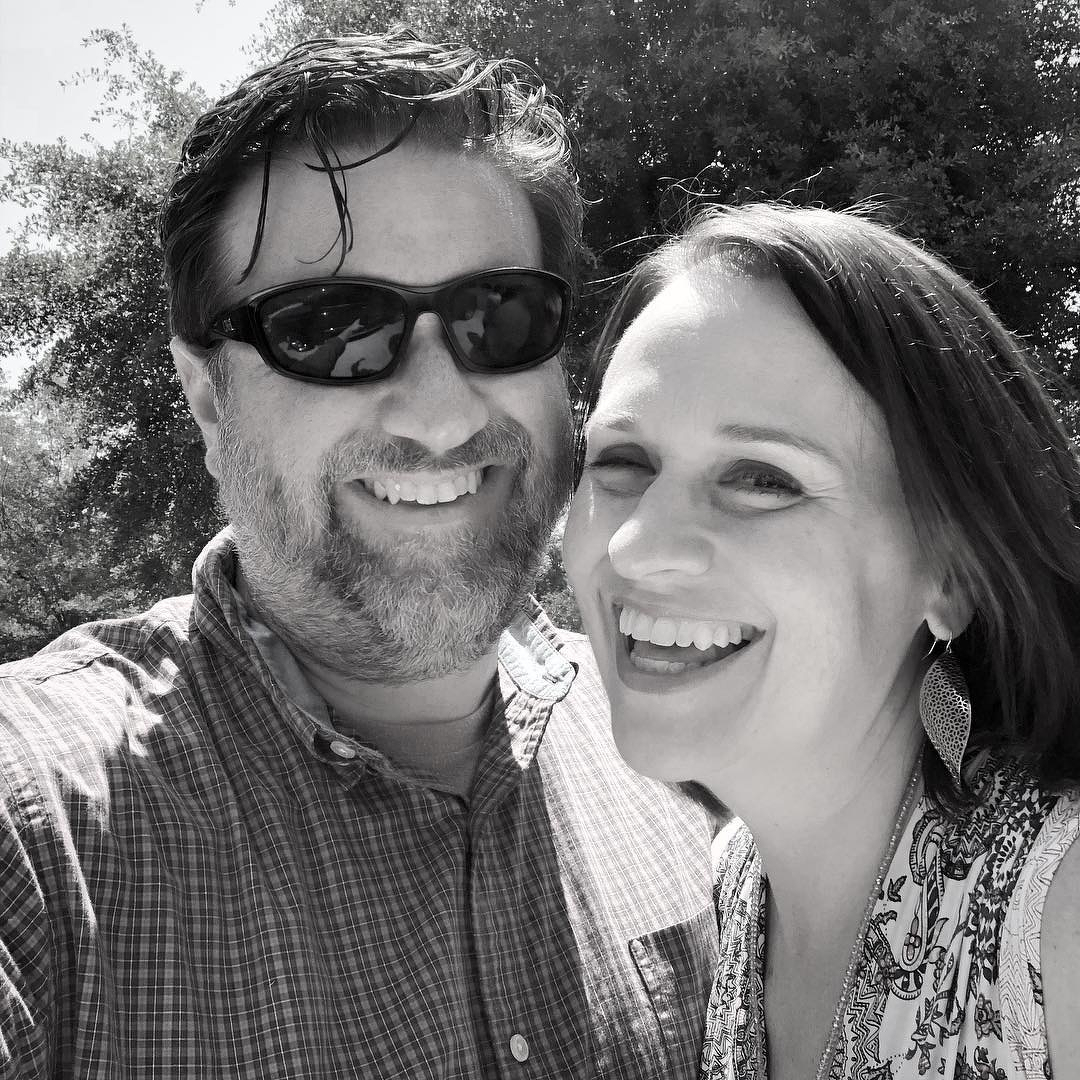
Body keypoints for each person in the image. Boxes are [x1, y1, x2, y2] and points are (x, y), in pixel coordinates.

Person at [0, 31, 718, 1078]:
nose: (439, 414)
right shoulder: (39, 826)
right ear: (208, 399)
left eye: (499, 316)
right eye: (332, 326)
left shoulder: (688, 748)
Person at [562, 202, 1080, 1080]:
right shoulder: (735, 887)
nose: (637, 546)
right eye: (622, 462)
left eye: (763, 479)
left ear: (951, 575)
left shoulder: (1060, 916)